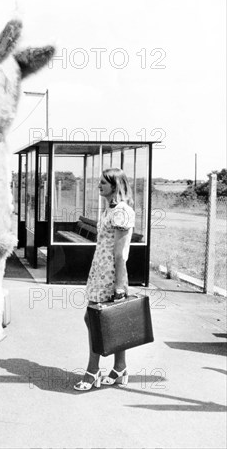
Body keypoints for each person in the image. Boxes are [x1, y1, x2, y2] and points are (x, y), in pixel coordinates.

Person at [74, 167, 135, 391]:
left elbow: (120, 253)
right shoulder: (110, 209)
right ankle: (120, 368)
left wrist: (119, 284)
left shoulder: (121, 211)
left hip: (110, 274)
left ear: (115, 186)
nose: (99, 185)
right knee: (105, 321)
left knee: (97, 321)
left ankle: (92, 372)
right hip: (99, 272)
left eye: (103, 183)